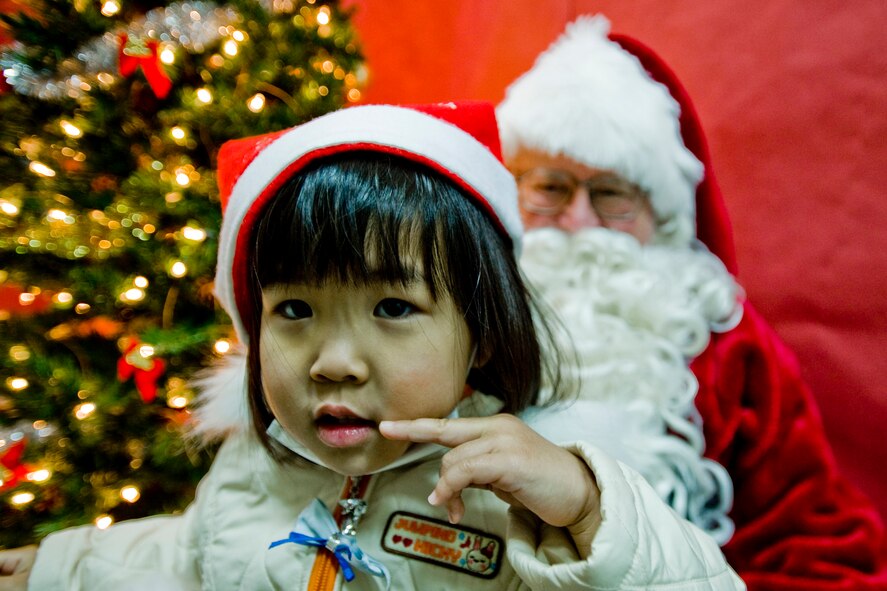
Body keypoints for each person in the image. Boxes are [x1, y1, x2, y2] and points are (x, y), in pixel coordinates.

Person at [0, 102, 745, 590]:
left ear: (480, 334)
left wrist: (585, 508)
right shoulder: (256, 465)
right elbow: (187, 560)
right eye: (294, 308)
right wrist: (57, 566)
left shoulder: (521, 496)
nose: (333, 360)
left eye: (392, 306)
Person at [496, 15, 887, 590]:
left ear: (665, 215)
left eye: (610, 196)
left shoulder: (726, 345)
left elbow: (817, 543)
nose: (578, 222)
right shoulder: (454, 310)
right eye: (550, 188)